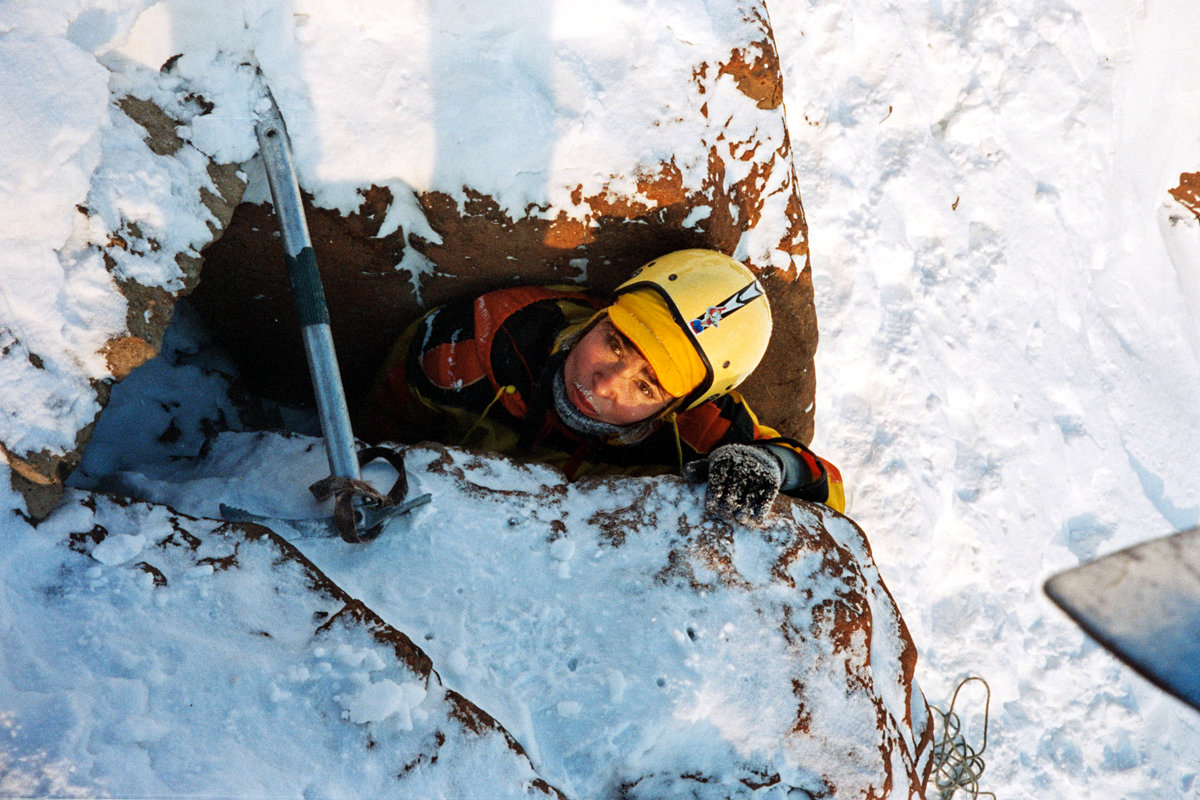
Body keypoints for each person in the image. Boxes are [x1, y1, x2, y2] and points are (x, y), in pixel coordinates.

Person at [358, 249, 845, 524]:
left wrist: (773, 465)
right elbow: (367, 439)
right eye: (615, 343)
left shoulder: (695, 429)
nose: (607, 383)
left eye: (647, 386)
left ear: (678, 405)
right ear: (604, 311)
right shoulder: (468, 346)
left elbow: (828, 487)